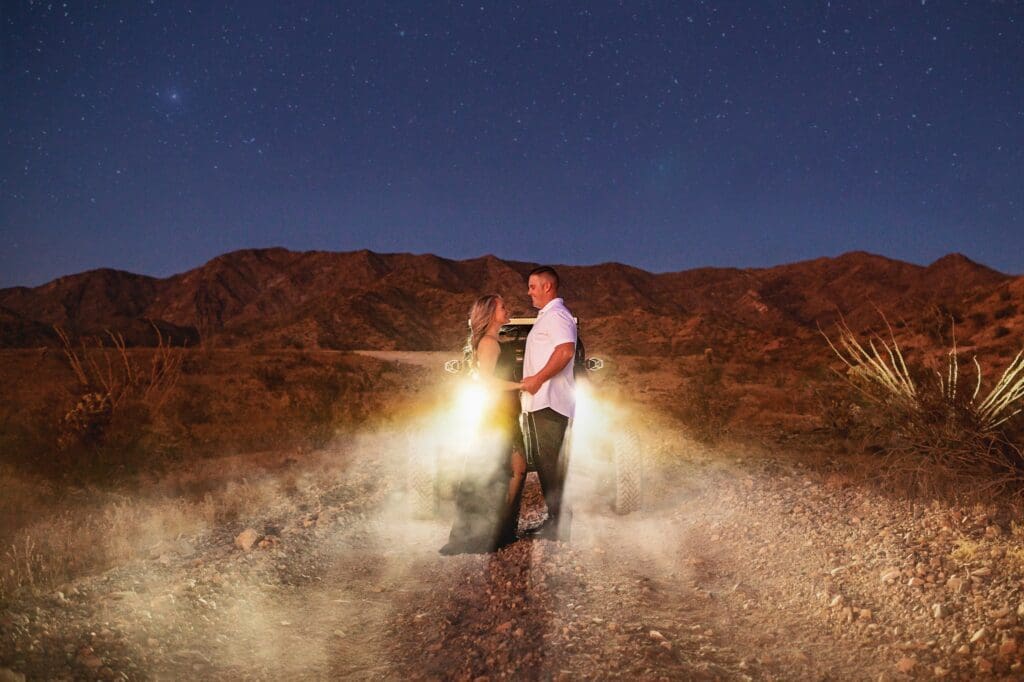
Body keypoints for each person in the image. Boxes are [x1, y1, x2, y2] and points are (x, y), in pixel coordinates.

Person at [440, 294, 527, 555]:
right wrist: (521, 385)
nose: (507, 308)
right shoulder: (490, 343)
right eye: (503, 306)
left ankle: (501, 530)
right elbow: (488, 382)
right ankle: (493, 532)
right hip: (497, 414)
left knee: (514, 468)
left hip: (503, 412)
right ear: (490, 314)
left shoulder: (494, 341)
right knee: (499, 470)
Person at [520, 266, 577, 542]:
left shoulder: (557, 316)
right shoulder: (548, 317)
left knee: (551, 463)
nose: (528, 292)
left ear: (547, 287)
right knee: (546, 462)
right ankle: (556, 520)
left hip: (551, 403)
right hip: (541, 403)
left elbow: (566, 351)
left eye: (532, 286)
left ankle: (559, 524)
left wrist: (538, 378)